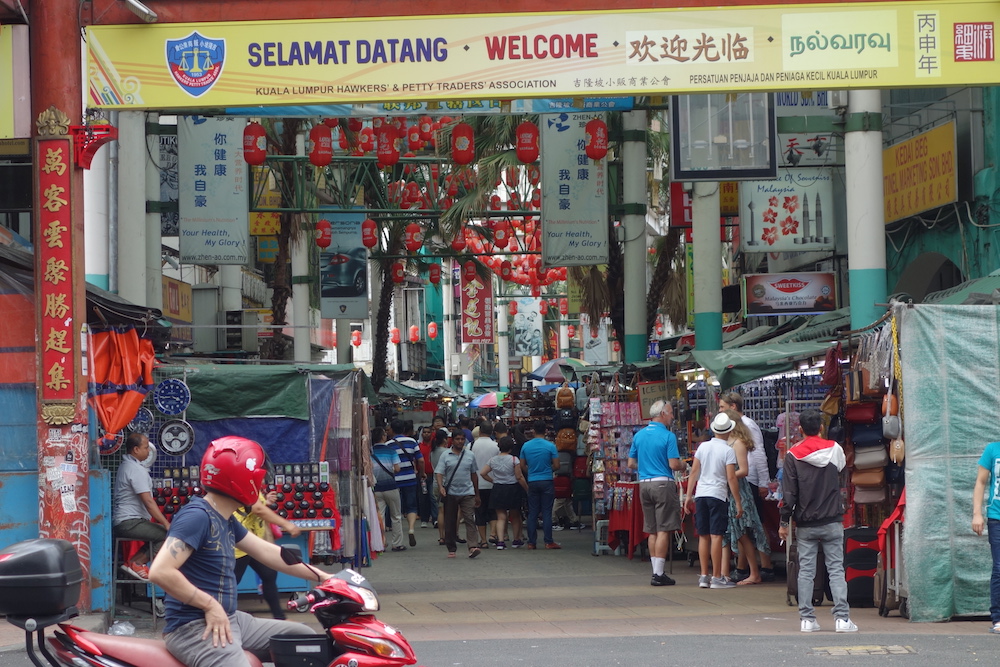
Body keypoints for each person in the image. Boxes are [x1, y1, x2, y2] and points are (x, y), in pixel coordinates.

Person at [149, 436, 330, 667]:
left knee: (303, 638)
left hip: (230, 618)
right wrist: (210, 605)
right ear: (242, 481)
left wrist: (325, 577)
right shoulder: (197, 517)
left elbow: (266, 552)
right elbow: (160, 572)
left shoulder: (225, 518)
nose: (263, 487)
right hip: (194, 626)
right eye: (260, 480)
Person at [778, 408, 857, 633]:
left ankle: (807, 619)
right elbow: (841, 475)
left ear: (800, 429)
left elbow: (789, 494)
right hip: (832, 519)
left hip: (805, 523)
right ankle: (842, 619)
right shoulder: (835, 449)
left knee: (806, 572)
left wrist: (784, 523)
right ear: (821, 428)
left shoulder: (793, 455)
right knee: (835, 569)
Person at [719, 391, 776, 582]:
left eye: (721, 407)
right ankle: (745, 567)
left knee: (753, 524)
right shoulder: (733, 434)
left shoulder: (747, 427)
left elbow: (758, 453)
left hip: (748, 481)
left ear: (732, 407)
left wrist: (763, 482)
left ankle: (763, 566)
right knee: (744, 527)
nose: (719, 411)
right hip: (743, 480)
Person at [627, 399, 684, 586]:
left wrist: (645, 466)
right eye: (670, 413)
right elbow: (674, 464)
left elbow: (630, 463)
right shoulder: (668, 436)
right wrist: (685, 465)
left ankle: (655, 571)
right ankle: (659, 574)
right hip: (663, 484)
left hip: (644, 484)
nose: (672, 416)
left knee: (651, 530)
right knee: (664, 529)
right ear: (662, 414)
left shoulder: (639, 435)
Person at [682, 412, 742, 590]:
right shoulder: (728, 451)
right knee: (716, 535)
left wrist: (688, 496)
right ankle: (717, 577)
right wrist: (738, 501)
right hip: (718, 495)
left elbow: (694, 473)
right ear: (728, 431)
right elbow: (731, 478)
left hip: (701, 494)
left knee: (703, 535)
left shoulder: (702, 447)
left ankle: (704, 576)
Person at [233, 490, 301, 619]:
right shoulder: (247, 484)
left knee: (268, 574)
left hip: (252, 541)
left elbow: (255, 505)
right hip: (239, 543)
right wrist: (286, 524)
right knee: (231, 582)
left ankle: (279, 617)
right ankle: (222, 616)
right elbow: (258, 509)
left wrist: (266, 500)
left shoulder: (254, 488)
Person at [113, 433, 170, 581]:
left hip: (127, 521)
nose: (149, 451)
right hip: (129, 522)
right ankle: (137, 563)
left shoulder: (127, 466)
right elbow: (148, 502)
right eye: (146, 448)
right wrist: (166, 523)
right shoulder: (134, 469)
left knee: (160, 534)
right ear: (136, 449)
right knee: (167, 535)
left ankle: (132, 563)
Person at [434, 429, 482, 558]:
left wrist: (477, 494)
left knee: (469, 519)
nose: (460, 441)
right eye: (457, 439)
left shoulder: (470, 455)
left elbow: (474, 475)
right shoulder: (445, 455)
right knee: (450, 520)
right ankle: (451, 547)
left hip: (467, 492)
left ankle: (472, 546)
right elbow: (439, 473)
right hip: (451, 492)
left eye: (462, 439)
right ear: (453, 440)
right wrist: (441, 486)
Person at [519, 420, 561, 550]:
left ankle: (532, 542)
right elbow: (557, 465)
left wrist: (531, 472)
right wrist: (549, 470)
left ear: (533, 431)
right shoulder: (551, 446)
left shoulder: (526, 446)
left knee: (533, 512)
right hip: (547, 480)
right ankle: (548, 541)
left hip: (532, 481)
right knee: (546, 512)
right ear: (546, 431)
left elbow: (522, 465)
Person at [480, 436, 527, 550]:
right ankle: (516, 540)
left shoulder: (493, 460)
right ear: (511, 448)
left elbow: (483, 473)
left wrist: (493, 480)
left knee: (501, 516)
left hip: (498, 488)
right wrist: (527, 488)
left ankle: (500, 542)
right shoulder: (514, 460)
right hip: (512, 488)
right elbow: (519, 476)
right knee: (514, 515)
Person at [973, 439, 1000, 634]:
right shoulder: (993, 449)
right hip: (996, 518)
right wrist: (977, 513)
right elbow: (981, 482)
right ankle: (998, 618)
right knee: (999, 568)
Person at [387, 418, 425, 548]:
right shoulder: (412, 441)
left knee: (396, 510)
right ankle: (411, 528)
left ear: (391, 430)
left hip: (395, 481)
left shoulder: (388, 445)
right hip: (410, 478)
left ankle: (397, 536)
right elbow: (420, 460)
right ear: (404, 429)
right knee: (411, 506)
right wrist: (422, 473)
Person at [370, 427, 405, 552]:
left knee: (380, 517)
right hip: (391, 487)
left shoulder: (370, 452)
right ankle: (397, 544)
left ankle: (381, 544)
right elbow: (397, 469)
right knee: (396, 516)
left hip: (377, 488)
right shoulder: (391, 451)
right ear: (383, 437)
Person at [470, 422, 500, 547]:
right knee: (493, 511)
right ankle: (493, 534)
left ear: (480, 431)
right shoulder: (496, 446)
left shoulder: (471, 445)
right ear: (492, 432)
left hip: (477, 484)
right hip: (492, 482)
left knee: (480, 512)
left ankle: (483, 541)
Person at [417, 425, 437, 528]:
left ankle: (435, 518)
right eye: (424, 432)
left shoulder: (435, 446)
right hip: (422, 476)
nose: (426, 434)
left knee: (433, 497)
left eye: (428, 432)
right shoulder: (419, 446)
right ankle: (424, 519)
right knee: (423, 497)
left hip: (434, 475)